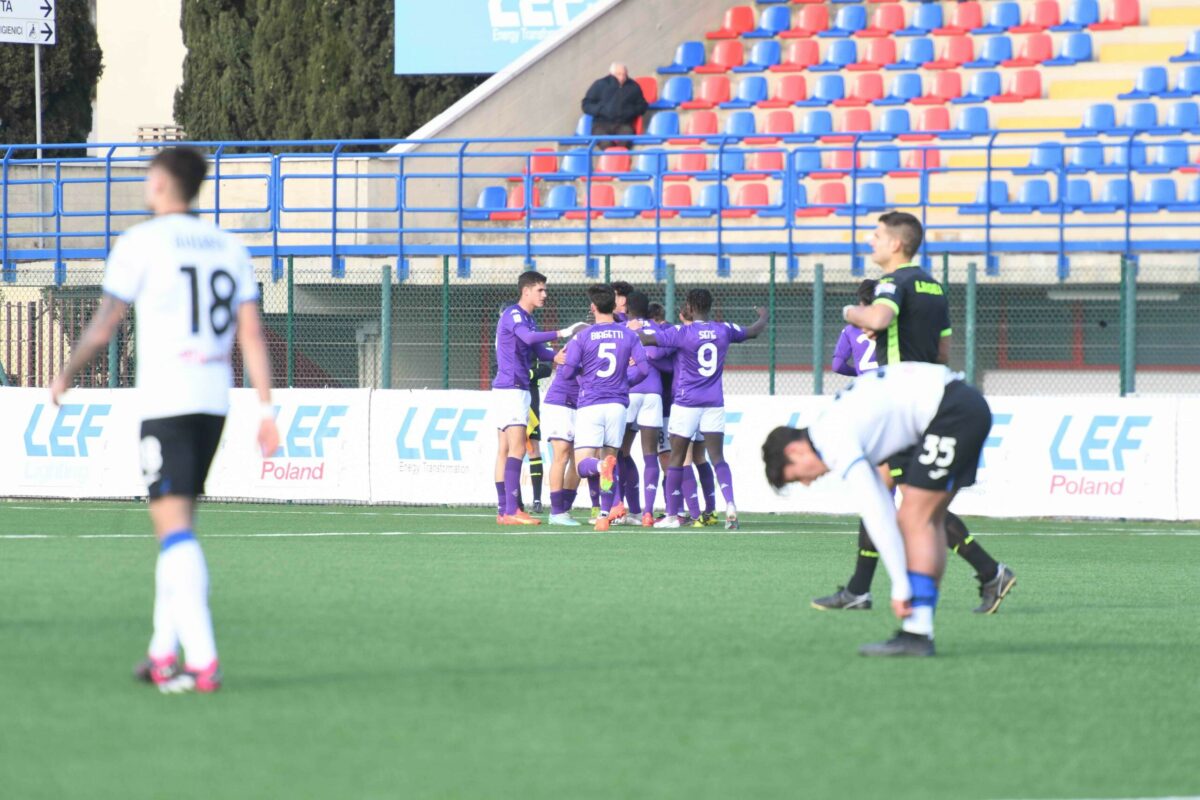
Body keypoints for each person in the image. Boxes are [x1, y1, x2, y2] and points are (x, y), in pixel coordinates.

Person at [48, 146, 279, 694]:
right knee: (178, 524)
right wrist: (266, 407)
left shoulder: (140, 243)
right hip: (213, 401)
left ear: (159, 183)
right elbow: (251, 333)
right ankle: (160, 652)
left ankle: (202, 658)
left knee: (172, 528)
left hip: (167, 399)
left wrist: (66, 372)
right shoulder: (228, 246)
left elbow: (105, 325)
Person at [814, 212, 1015, 614]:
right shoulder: (933, 286)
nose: (870, 242)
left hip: (903, 406)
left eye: (876, 236)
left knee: (919, 510)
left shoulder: (893, 282)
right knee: (886, 493)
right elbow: (942, 351)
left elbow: (878, 316)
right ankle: (859, 589)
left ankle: (988, 572)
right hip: (929, 398)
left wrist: (852, 314)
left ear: (896, 244)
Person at [762, 362, 994, 657]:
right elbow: (880, 499)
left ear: (794, 451)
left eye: (797, 476)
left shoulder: (831, 439)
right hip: (962, 405)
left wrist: (899, 585)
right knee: (928, 520)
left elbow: (874, 510)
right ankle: (919, 628)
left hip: (951, 413)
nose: (807, 483)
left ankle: (918, 632)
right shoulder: (831, 425)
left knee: (914, 519)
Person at [639, 289, 767, 530]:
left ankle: (672, 515)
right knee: (717, 457)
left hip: (686, 402)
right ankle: (729, 504)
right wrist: (763, 316)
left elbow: (647, 340)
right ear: (710, 306)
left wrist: (634, 328)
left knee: (677, 457)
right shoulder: (724, 329)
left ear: (689, 306)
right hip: (713, 403)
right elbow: (754, 331)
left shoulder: (682, 332)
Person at [492, 271, 584, 526]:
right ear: (526, 291)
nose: (545, 294)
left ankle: (504, 510)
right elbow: (530, 339)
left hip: (512, 387)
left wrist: (555, 357)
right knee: (518, 447)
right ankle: (512, 509)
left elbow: (538, 349)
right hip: (512, 387)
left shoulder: (527, 319)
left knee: (505, 449)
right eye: (540, 290)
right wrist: (564, 331)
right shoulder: (514, 314)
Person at [555, 284, 648, 532]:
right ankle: (604, 516)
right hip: (618, 405)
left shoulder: (582, 336)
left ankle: (599, 470)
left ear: (593, 307)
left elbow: (566, 372)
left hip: (591, 404)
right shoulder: (628, 335)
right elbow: (645, 368)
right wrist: (626, 381)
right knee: (611, 459)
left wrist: (577, 375)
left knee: (584, 464)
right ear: (615, 306)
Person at [617, 291, 671, 526]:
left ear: (627, 307)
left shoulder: (622, 328)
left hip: (630, 390)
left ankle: (617, 507)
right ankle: (648, 512)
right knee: (651, 454)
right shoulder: (656, 328)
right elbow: (663, 351)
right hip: (653, 393)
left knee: (617, 451)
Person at [542, 358, 582, 526]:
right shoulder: (576, 344)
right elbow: (568, 371)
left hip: (583, 404)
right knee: (562, 455)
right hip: (561, 403)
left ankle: (564, 508)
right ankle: (557, 511)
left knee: (580, 459)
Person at [581, 63, 648, 150]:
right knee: (605, 143)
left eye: (624, 74)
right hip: (601, 124)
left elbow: (642, 106)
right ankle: (612, 160)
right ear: (611, 74)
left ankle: (621, 160)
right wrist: (601, 110)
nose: (622, 77)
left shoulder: (633, 86)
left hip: (624, 124)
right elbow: (586, 104)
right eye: (619, 74)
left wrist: (630, 111)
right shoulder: (599, 85)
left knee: (626, 139)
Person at [831, 279, 879, 378]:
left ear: (861, 301)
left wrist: (858, 373)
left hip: (865, 385)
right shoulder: (894, 327)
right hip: (889, 385)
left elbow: (837, 366)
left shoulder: (850, 330)